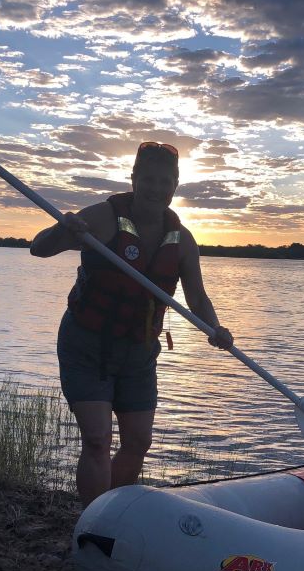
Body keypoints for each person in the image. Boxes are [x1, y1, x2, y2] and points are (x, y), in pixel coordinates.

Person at [30, 142, 234, 506]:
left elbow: (198, 299)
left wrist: (215, 329)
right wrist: (63, 231)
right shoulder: (105, 216)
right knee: (96, 440)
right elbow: (39, 248)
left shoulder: (183, 240)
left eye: (165, 182)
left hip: (138, 353)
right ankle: (91, 521)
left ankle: (109, 510)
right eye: (149, 179)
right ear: (134, 179)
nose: (156, 189)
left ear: (175, 186)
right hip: (86, 344)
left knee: (139, 442)